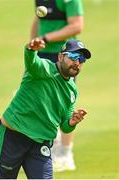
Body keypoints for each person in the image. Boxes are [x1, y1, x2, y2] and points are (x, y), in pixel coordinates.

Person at [0, 38, 91, 179]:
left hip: (40, 144)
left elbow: (65, 126)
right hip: (13, 137)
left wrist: (72, 123)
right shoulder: (43, 69)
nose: (77, 63)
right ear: (61, 56)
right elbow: (31, 61)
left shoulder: (72, 90)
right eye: (73, 57)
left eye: (81, 59)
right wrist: (31, 49)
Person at [30, 0, 84, 171]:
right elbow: (38, 18)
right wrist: (33, 46)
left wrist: (46, 38)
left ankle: (66, 155)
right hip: (43, 53)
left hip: (65, 55)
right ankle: (49, 149)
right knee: (40, 100)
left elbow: (76, 26)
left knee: (65, 102)